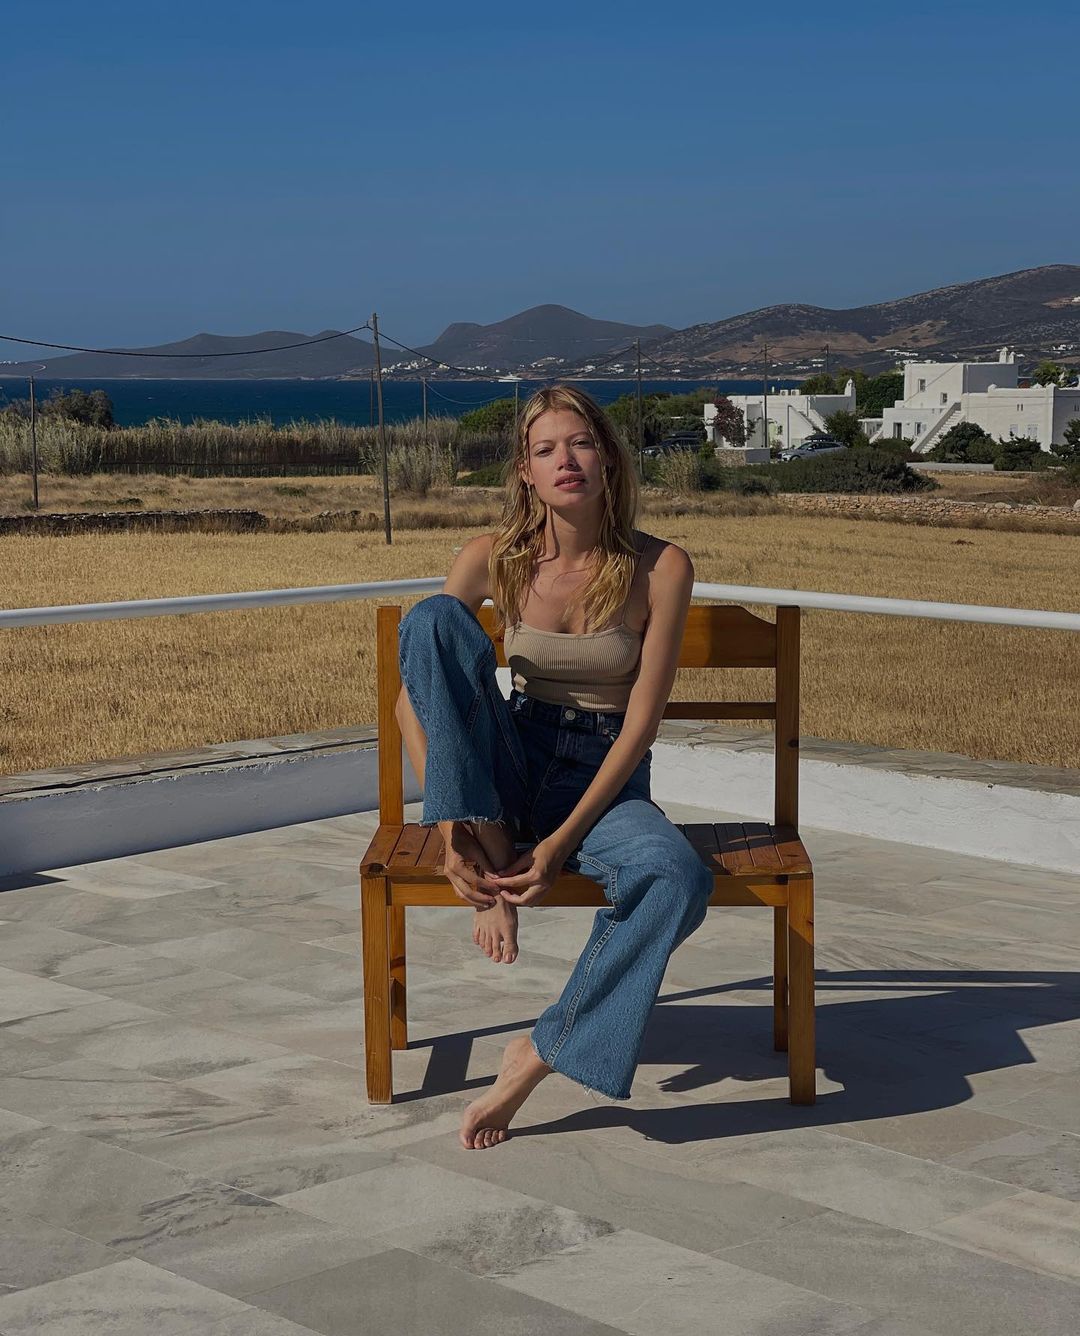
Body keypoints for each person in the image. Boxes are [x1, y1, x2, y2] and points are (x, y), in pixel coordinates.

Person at [395, 384, 714, 1149]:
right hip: (513, 753)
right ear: (526, 472)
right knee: (432, 618)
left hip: (604, 776)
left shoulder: (660, 567)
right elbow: (417, 703)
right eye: (545, 449)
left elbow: (640, 727)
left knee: (677, 877)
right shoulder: (492, 559)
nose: (565, 460)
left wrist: (559, 845)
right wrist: (454, 837)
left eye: (579, 443)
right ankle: (491, 863)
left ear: (607, 459)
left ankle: (540, 1052)